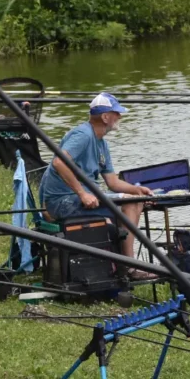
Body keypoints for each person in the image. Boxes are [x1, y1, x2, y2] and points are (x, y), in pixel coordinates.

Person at [38, 92, 156, 277]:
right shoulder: (83, 135)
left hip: (79, 199)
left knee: (135, 200)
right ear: (105, 117)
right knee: (131, 204)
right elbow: (59, 163)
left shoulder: (102, 144)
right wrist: (82, 194)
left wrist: (137, 190)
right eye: (117, 113)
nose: (120, 117)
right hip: (62, 202)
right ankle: (130, 267)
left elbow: (112, 182)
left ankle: (118, 266)